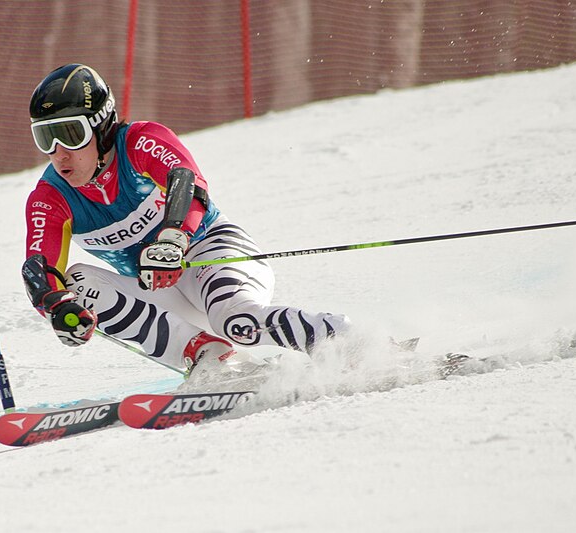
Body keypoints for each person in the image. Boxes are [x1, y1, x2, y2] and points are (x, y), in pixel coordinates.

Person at [22, 63, 350, 383]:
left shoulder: (138, 142)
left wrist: (173, 237)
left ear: (101, 126)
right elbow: (40, 272)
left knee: (235, 320)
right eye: (45, 138)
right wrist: (57, 309)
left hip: (211, 254)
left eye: (69, 134)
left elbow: (188, 183)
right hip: (159, 288)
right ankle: (208, 355)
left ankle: (347, 341)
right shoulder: (51, 197)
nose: (59, 153)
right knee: (75, 284)